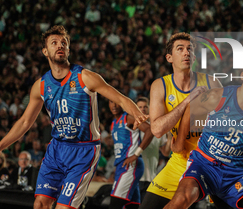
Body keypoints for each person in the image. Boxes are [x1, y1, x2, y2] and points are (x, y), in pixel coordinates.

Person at [0, 25, 148, 209]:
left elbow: (120, 98)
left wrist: (137, 114)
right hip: (56, 149)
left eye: (64, 42)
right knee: (40, 203)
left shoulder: (85, 77)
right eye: (54, 43)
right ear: (45, 51)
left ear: (68, 49)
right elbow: (24, 122)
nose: (60, 45)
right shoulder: (40, 86)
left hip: (83, 151)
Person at [164, 52, 243, 209]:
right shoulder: (217, 97)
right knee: (180, 201)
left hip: (236, 173)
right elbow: (189, 110)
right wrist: (180, 143)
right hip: (204, 164)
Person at [139, 32, 223, 209]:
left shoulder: (211, 83)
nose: (186, 53)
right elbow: (157, 130)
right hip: (179, 159)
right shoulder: (160, 85)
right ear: (169, 57)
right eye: (180, 49)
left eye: (189, 49)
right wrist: (186, 101)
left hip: (209, 161)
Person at [109, 101, 153, 209]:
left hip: (131, 165)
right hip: (121, 166)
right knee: (131, 206)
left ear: (122, 103)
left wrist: (136, 154)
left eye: (117, 102)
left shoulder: (128, 118)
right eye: (111, 102)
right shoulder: (114, 123)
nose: (114, 105)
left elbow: (149, 131)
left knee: (114, 205)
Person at [136, 97, 171, 203]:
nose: (143, 109)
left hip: (151, 178)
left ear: (149, 108)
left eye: (145, 107)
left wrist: (169, 136)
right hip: (136, 177)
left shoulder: (156, 128)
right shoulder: (133, 128)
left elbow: (165, 152)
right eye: (140, 107)